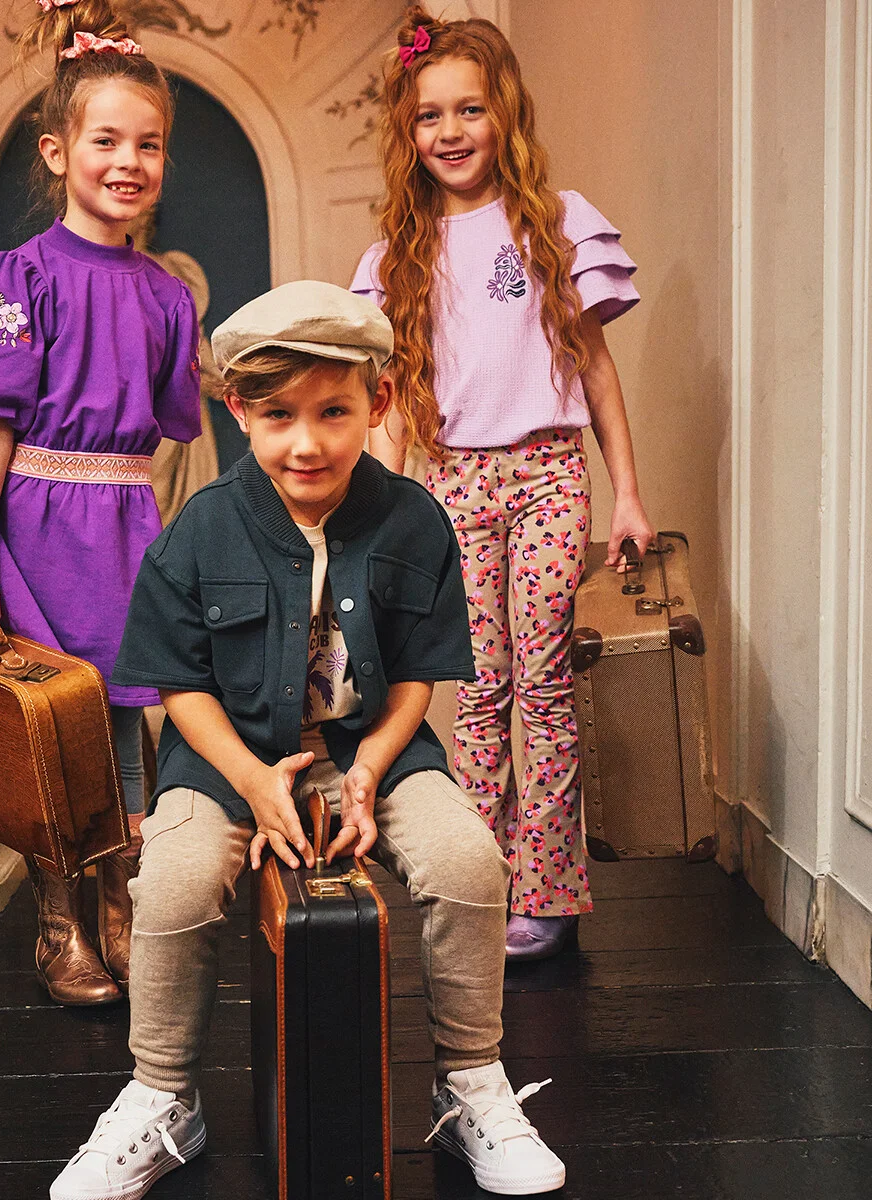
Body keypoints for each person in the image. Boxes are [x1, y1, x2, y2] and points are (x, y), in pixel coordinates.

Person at [48, 281, 567, 1199]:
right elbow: (179, 685)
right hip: (226, 757)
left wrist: (368, 770)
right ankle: (162, 1094)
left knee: (470, 862)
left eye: (335, 411)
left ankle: (470, 1084)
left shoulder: (413, 519)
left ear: (379, 399)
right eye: (279, 415)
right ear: (239, 411)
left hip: (373, 750)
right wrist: (252, 781)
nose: (308, 443)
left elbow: (418, 676)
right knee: (171, 884)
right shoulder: (202, 528)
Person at [353, 6, 655, 961]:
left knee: (547, 688)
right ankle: (480, 883)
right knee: (478, 691)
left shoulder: (553, 225)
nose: (450, 131)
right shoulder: (395, 260)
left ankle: (549, 894)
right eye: (429, 115)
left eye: (470, 110)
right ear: (408, 131)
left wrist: (628, 495)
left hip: (548, 475)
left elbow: (596, 369)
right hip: (450, 486)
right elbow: (390, 412)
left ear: (505, 113)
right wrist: (375, 522)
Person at [0, 0, 201, 1004]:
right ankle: (60, 927)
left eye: (149, 144)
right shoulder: (17, 278)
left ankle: (123, 910)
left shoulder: (168, 296)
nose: (128, 161)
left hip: (124, 530)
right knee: (51, 726)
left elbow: (170, 426)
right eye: (106, 140)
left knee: (126, 722)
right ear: (56, 151)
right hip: (34, 530)